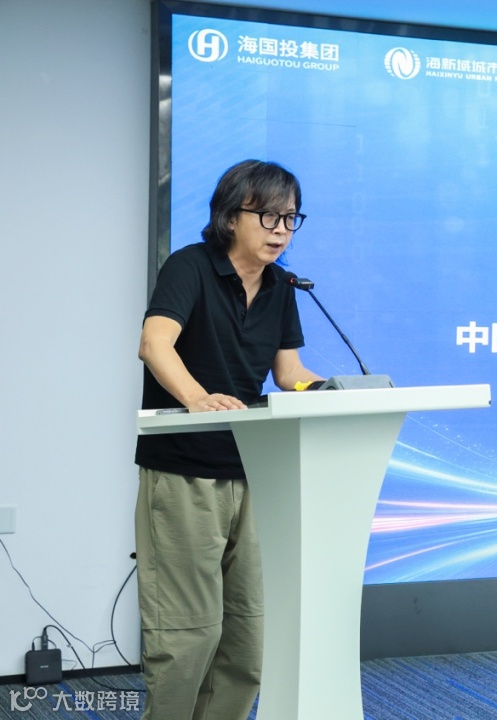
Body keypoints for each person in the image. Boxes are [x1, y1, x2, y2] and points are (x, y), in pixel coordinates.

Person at [134, 160, 323, 719]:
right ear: (230, 215)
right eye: (268, 216)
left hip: (254, 468)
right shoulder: (189, 267)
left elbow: (289, 373)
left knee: (246, 638)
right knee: (187, 636)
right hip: (185, 471)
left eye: (290, 218)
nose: (281, 230)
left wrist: (334, 392)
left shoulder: (282, 287)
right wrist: (196, 397)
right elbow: (154, 344)